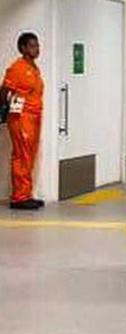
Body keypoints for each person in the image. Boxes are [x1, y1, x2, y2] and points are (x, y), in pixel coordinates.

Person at [0, 32, 45, 210]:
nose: (37, 49)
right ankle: (19, 197)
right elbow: (4, 89)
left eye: (37, 45)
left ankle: (26, 194)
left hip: (34, 117)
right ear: (23, 48)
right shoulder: (17, 67)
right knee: (22, 156)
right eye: (32, 45)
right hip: (21, 118)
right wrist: (3, 109)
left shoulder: (34, 68)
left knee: (30, 156)